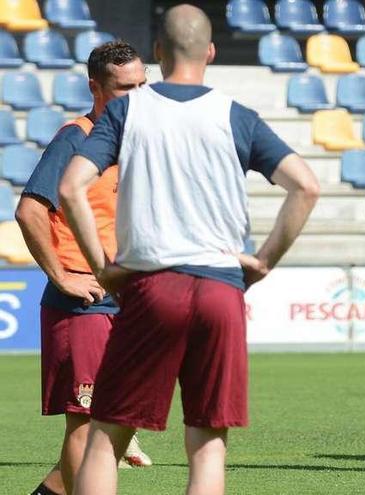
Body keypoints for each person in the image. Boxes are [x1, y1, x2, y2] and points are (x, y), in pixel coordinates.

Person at [58, 5, 319, 494]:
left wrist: (103, 267)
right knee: (207, 442)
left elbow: (73, 187)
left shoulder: (127, 109)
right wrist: (262, 261)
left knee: (106, 435)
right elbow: (305, 186)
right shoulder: (236, 115)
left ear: (157, 53)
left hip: (154, 285)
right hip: (221, 287)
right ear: (212, 52)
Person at [15, 41, 151, 495]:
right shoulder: (76, 138)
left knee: (121, 419)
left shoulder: (135, 142)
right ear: (96, 87)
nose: (136, 96)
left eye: (142, 85)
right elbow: (30, 210)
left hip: (127, 303)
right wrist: (60, 275)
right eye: (123, 88)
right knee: (86, 422)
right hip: (84, 305)